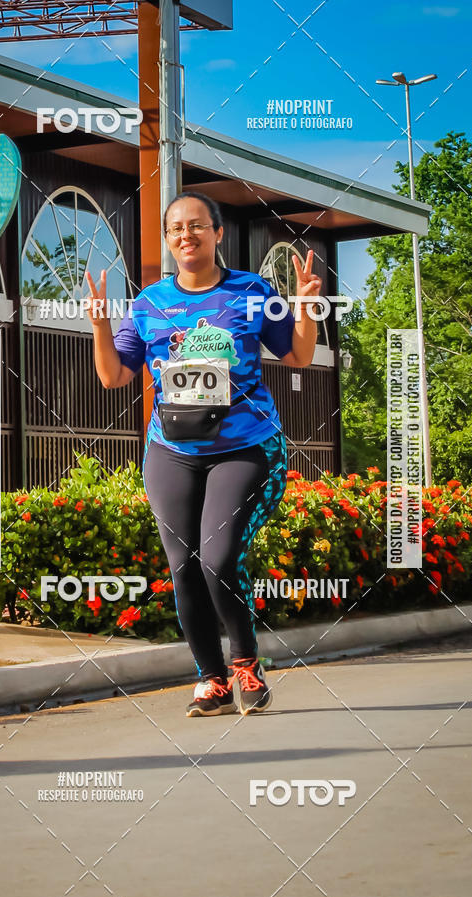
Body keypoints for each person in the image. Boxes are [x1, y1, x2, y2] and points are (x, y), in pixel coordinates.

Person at [86, 191, 321, 717]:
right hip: (171, 450)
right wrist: (101, 324)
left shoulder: (253, 292)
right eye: (175, 229)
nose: (185, 235)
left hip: (246, 446)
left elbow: (299, 356)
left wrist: (304, 306)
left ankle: (245, 663)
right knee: (184, 566)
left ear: (217, 233)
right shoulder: (148, 303)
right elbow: (112, 376)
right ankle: (211, 680)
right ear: (168, 241)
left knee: (216, 559)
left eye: (197, 225)